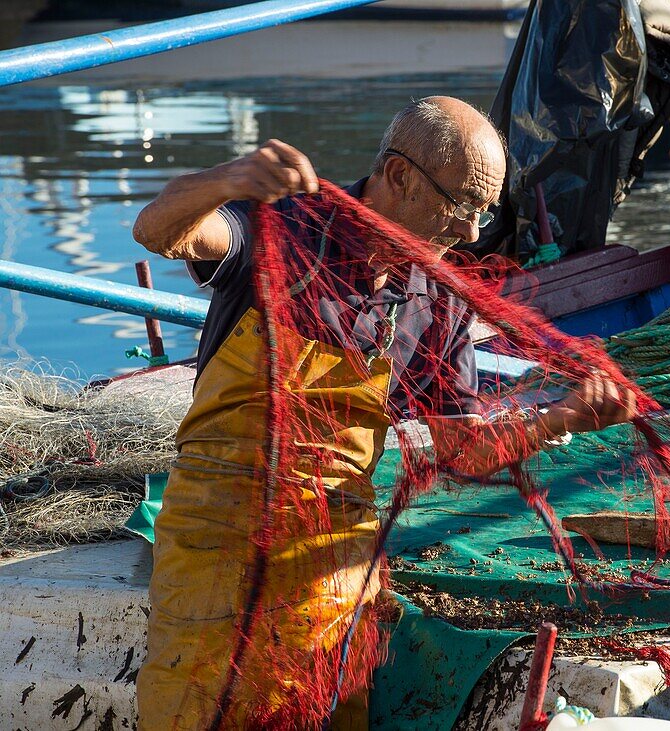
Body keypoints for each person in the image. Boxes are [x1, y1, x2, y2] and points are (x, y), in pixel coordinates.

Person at [132, 96, 637, 729]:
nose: (473, 232)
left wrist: (560, 419)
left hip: (335, 550)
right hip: (220, 529)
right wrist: (229, 179)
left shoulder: (438, 295)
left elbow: (459, 449)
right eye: (462, 205)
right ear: (398, 177)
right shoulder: (284, 229)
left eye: (486, 212)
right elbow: (159, 229)